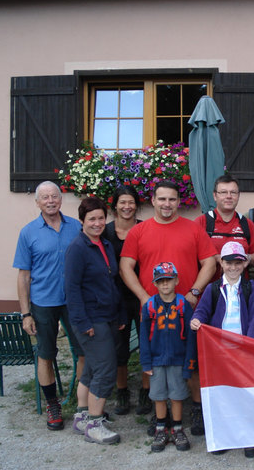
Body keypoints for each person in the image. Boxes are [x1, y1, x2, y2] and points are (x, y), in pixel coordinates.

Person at [120, 180, 217, 436]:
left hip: (186, 309)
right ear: (152, 200)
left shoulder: (192, 229)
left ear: (178, 201)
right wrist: (142, 297)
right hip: (153, 312)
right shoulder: (138, 232)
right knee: (155, 360)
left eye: (172, 199)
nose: (167, 204)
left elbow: (209, 262)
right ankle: (158, 412)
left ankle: (196, 409)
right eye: (162, 199)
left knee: (192, 359)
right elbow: (125, 267)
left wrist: (194, 292)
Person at [13, 181, 84, 431]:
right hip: (43, 303)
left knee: (84, 350)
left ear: (61, 199)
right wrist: (26, 314)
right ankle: (52, 404)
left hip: (74, 302)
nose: (51, 200)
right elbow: (23, 276)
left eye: (54, 196)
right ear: (38, 203)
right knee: (46, 354)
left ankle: (83, 404)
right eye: (45, 197)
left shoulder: (76, 227)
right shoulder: (28, 232)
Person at [190, 241, 254, 458]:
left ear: (245, 263)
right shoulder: (212, 289)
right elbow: (202, 312)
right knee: (222, 394)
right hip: (218, 352)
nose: (233, 267)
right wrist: (195, 320)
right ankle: (224, 436)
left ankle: (249, 436)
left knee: (245, 393)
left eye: (238, 263)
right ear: (221, 263)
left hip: (242, 350)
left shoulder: (251, 288)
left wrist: (247, 346)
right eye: (228, 262)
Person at [66, 197, 126, 445]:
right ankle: (94, 422)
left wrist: (120, 313)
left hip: (109, 316)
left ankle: (81, 416)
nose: (98, 223)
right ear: (82, 221)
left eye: (101, 218)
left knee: (92, 366)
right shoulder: (77, 249)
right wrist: (82, 323)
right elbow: (71, 289)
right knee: (105, 368)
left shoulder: (104, 244)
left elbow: (112, 282)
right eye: (92, 219)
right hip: (91, 319)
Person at [140, 262, 195, 452]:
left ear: (176, 280)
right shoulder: (149, 306)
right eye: (160, 281)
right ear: (155, 283)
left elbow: (190, 337)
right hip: (155, 361)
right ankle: (161, 429)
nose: (165, 285)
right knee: (159, 396)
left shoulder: (183, 305)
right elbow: (143, 336)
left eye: (169, 280)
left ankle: (178, 429)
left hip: (178, 360)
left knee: (177, 395)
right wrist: (145, 361)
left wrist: (189, 363)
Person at [102, 185, 143, 415]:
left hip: (141, 295)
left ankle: (146, 393)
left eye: (131, 202)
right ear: (115, 205)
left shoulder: (144, 228)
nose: (127, 207)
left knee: (147, 345)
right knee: (120, 348)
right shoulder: (105, 231)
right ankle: (123, 391)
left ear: (136, 205)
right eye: (122, 203)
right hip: (115, 298)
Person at [195, 174, 254, 279]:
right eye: (223, 192)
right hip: (208, 290)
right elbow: (191, 254)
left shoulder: (247, 224)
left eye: (233, 192)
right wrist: (217, 258)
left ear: (238, 195)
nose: (229, 196)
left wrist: (245, 257)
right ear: (214, 196)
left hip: (239, 290)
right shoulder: (202, 222)